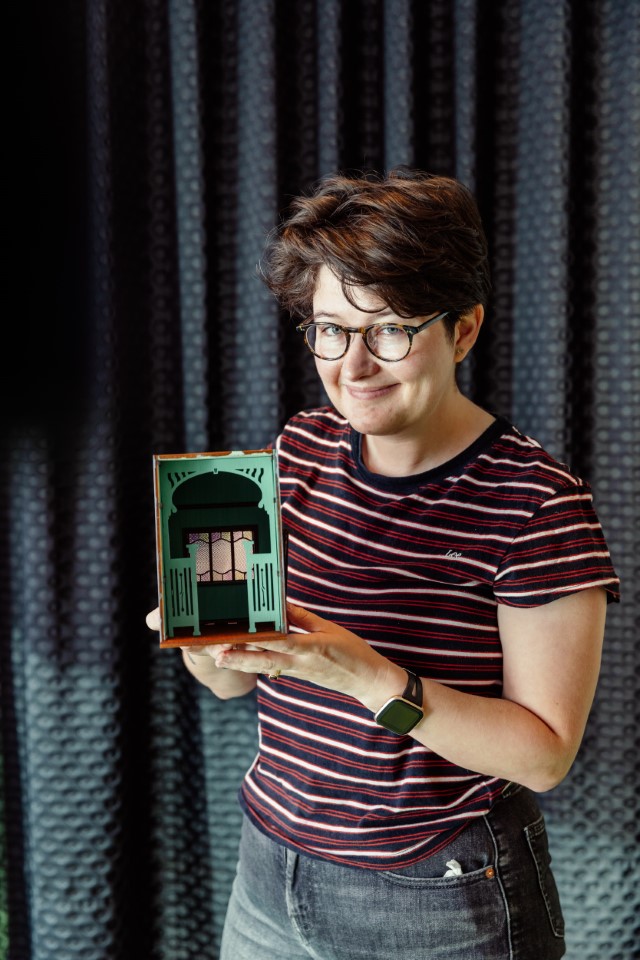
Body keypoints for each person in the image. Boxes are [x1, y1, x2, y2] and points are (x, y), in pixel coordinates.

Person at [147, 168, 620, 959]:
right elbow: (235, 683)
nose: (354, 366)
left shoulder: (538, 502)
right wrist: (206, 641)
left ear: (463, 331)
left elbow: (545, 756)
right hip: (269, 871)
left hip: (438, 896)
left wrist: (368, 677)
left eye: (391, 330)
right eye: (331, 329)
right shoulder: (299, 449)